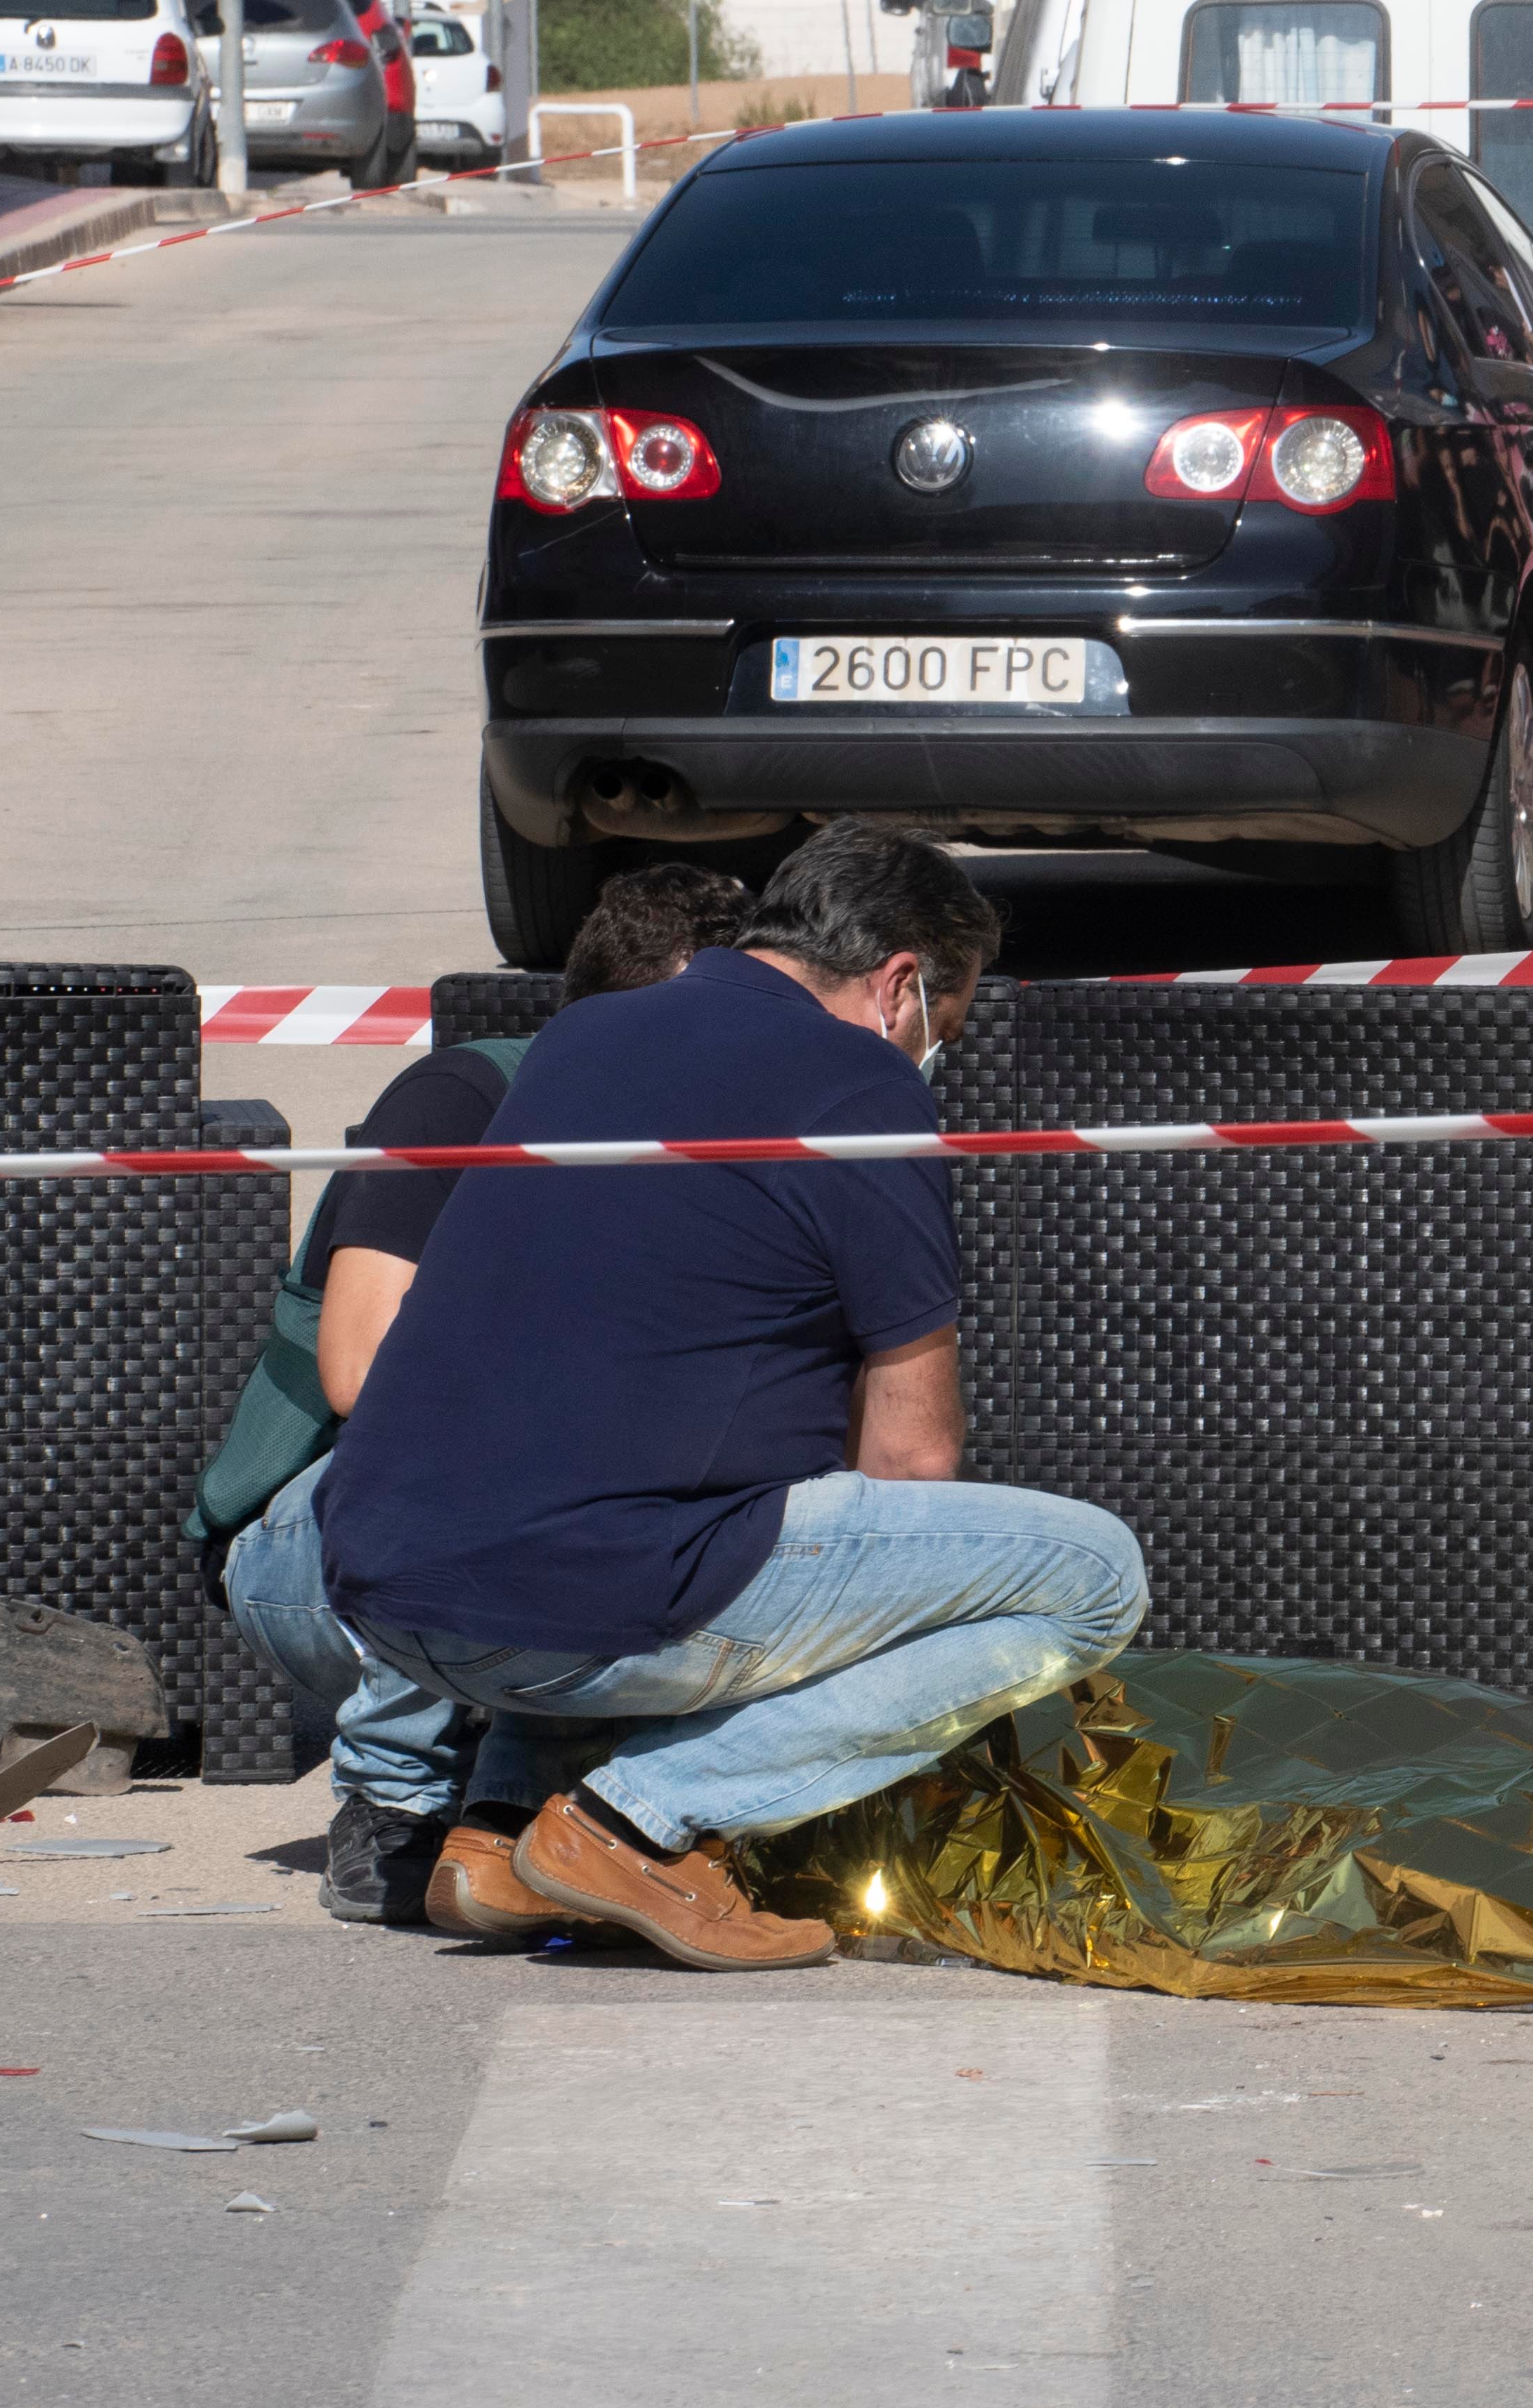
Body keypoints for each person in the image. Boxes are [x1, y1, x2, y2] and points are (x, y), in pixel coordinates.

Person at [324, 822, 1143, 1975]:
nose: (931, 1055)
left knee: (628, 1503)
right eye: (940, 1029)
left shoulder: (583, 1032)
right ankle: (637, 1823)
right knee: (1092, 1572)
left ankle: (500, 1832)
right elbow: (912, 1458)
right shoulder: (858, 1081)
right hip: (568, 1602)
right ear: (902, 981)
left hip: (382, 1581)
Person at [199, 863, 755, 1930]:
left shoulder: (703, 1133)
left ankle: (517, 1804)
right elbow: (359, 1372)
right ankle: (393, 1799)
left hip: (525, 1544)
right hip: (312, 1554)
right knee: (497, 1472)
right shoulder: (467, 1095)